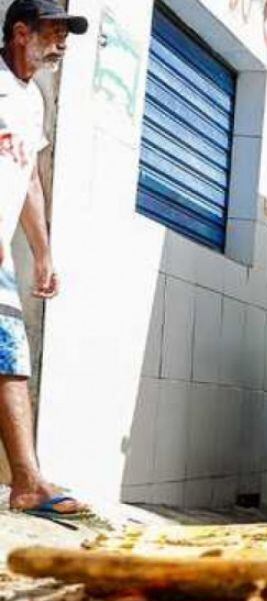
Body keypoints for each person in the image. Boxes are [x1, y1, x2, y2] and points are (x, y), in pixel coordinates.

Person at [0, 1, 87, 519]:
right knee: (8, 356)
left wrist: (43, 251)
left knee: (11, 357)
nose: (62, 44)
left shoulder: (31, 100)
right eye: (53, 33)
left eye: (64, 35)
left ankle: (28, 482)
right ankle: (28, 482)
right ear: (20, 33)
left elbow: (28, 175)